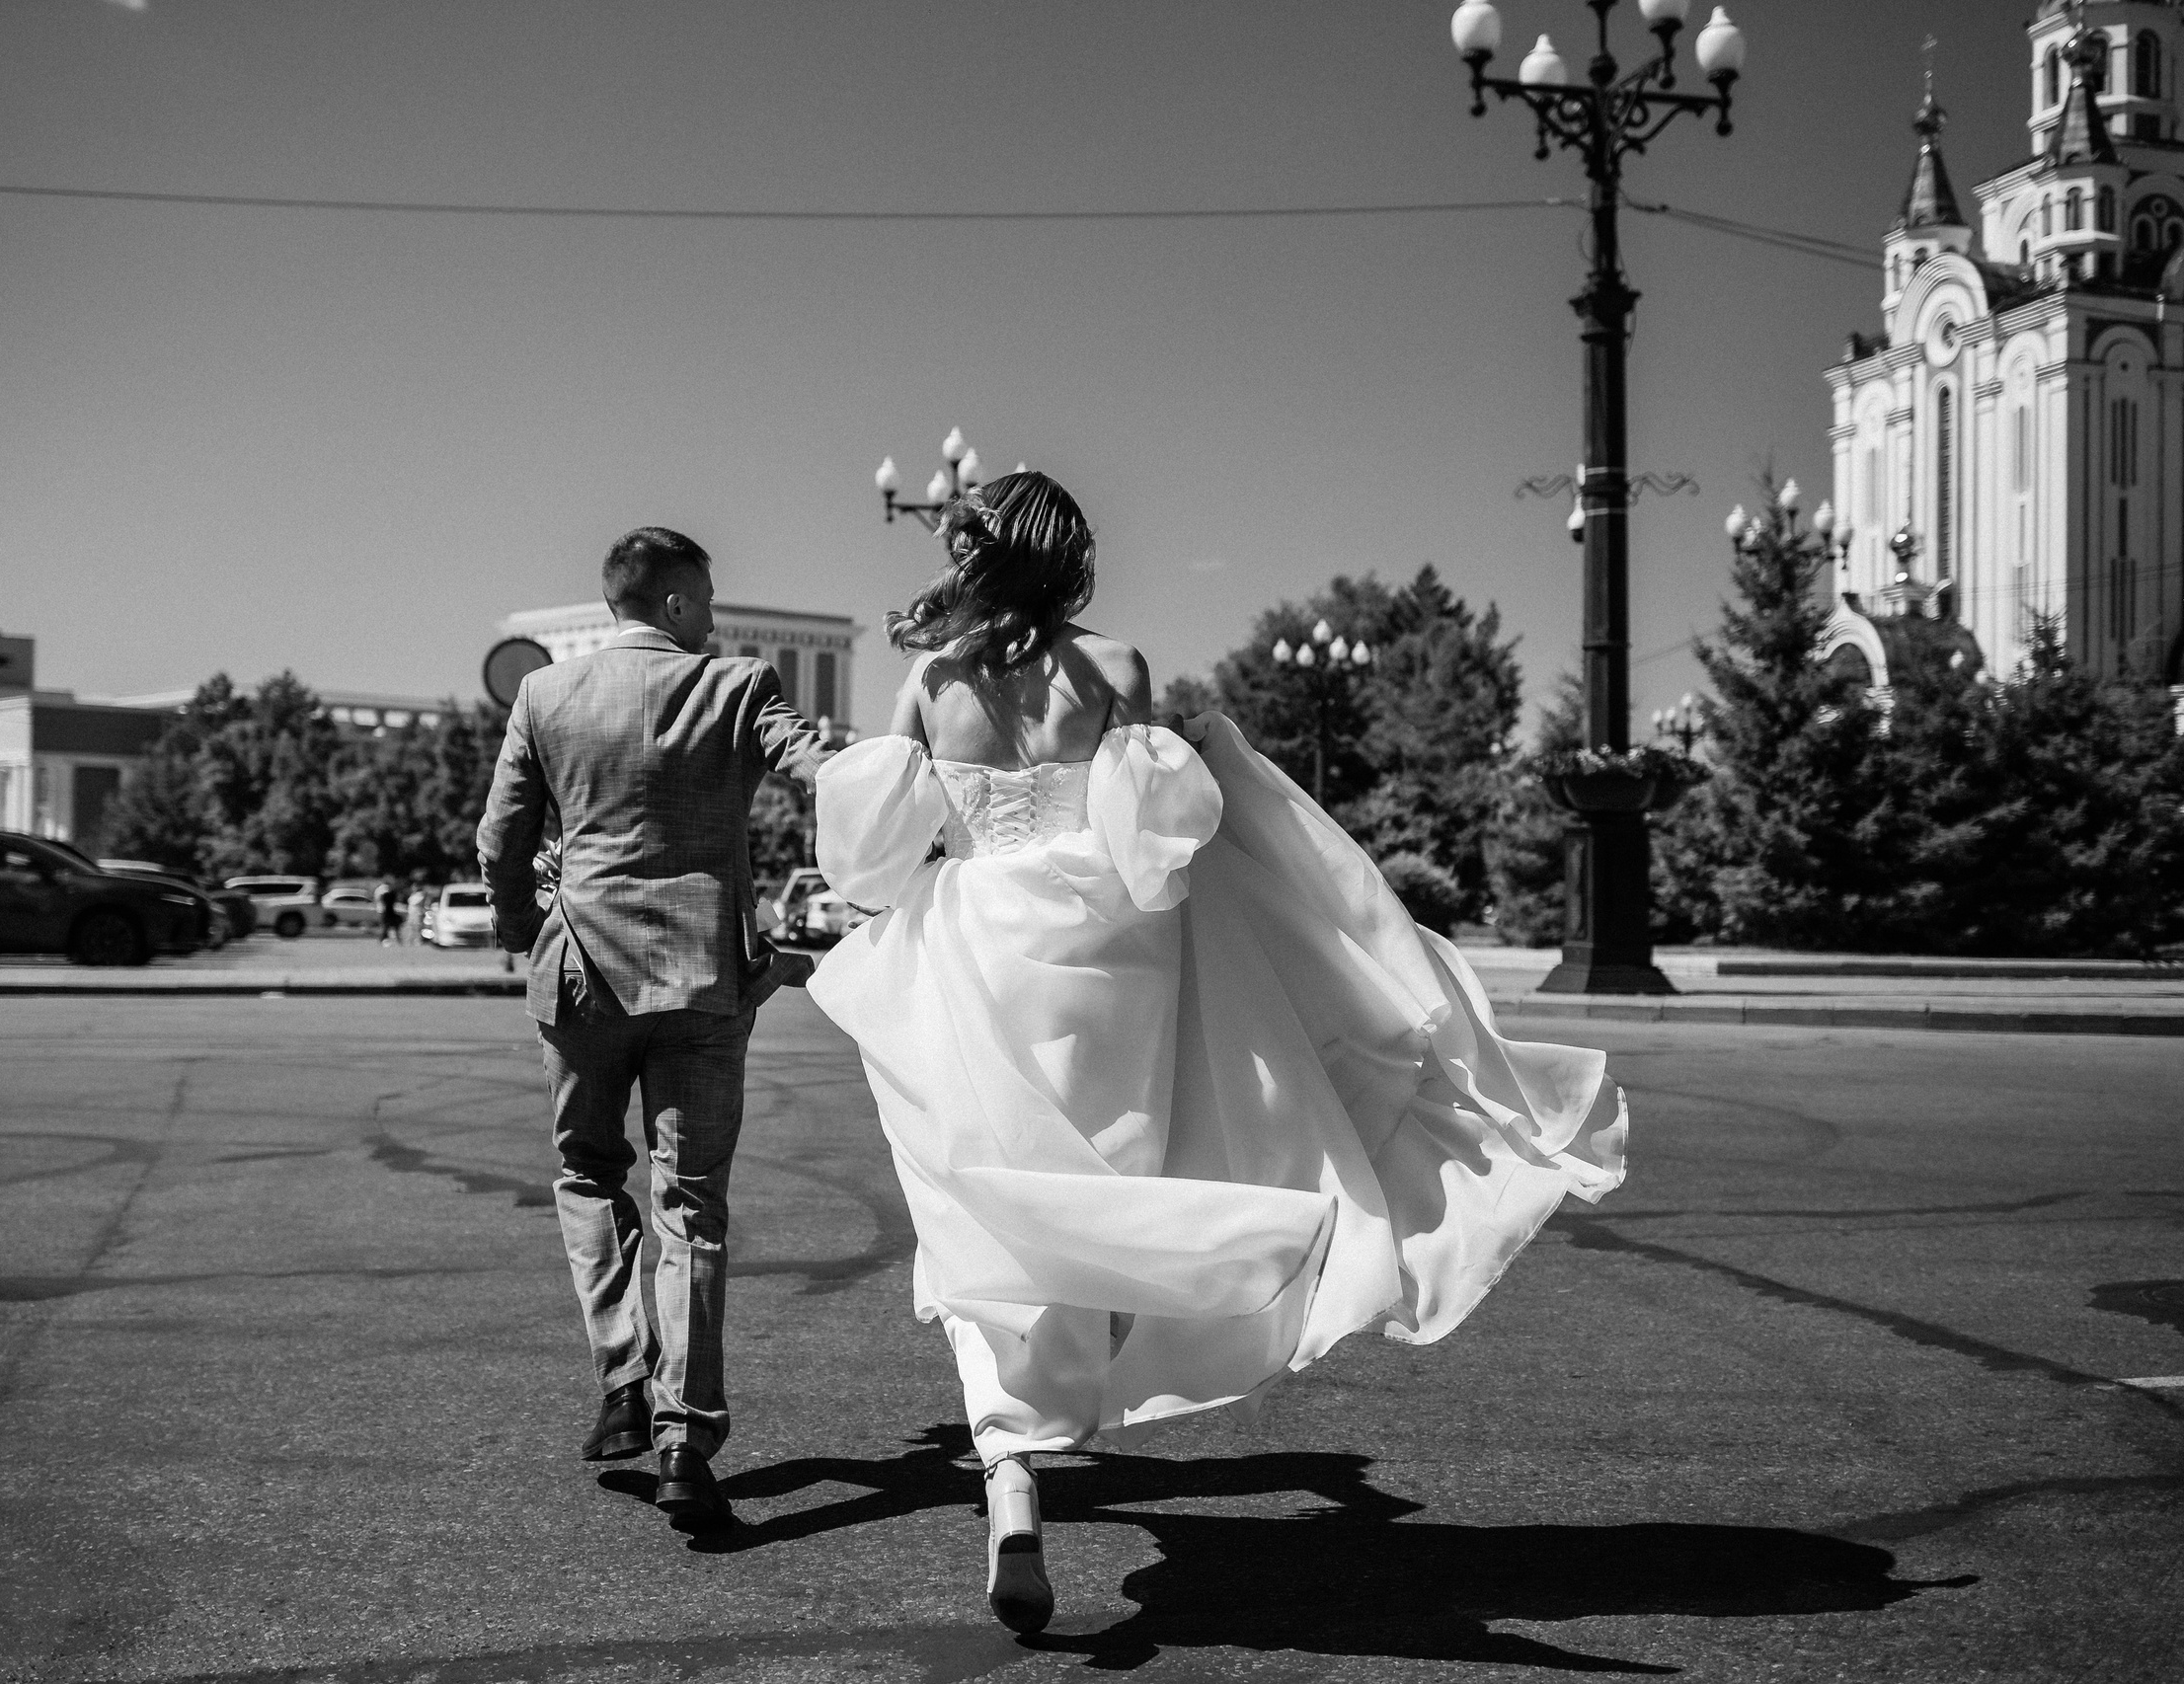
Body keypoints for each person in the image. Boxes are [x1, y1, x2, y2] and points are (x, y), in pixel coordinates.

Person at [807, 472, 1627, 1633]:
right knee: (1105, 1186)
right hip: (1105, 960)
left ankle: (1011, 1481)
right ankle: (1157, 1311)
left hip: (975, 955)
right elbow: (1157, 853)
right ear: (1071, 555)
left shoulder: (934, 678)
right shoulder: (1120, 668)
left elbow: (874, 859)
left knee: (987, 1212)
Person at [479, 525, 822, 1534]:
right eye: (705, 598)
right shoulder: (737, 686)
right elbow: (814, 769)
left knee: (588, 1171)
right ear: (673, 603)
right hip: (700, 984)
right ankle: (685, 1435)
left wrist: (517, 929)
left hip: (578, 973)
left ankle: (623, 1373)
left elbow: (501, 835)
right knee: (692, 1206)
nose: (712, 618)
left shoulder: (545, 696)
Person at [374, 878, 401, 946]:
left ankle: (383, 939)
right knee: (386, 925)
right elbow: (388, 898)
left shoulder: (378, 889)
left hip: (380, 909)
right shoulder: (385, 890)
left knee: (384, 925)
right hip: (385, 910)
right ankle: (384, 939)